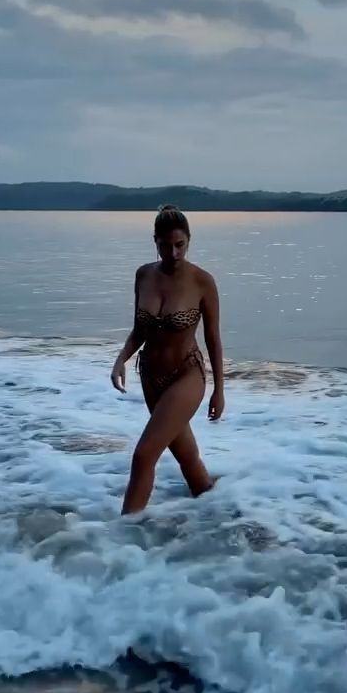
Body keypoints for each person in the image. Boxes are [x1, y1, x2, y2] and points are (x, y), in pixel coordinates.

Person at [110, 204, 225, 514]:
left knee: (143, 455)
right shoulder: (144, 275)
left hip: (187, 375)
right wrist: (121, 359)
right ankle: (220, 515)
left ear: (189, 240)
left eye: (179, 245)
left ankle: (122, 534)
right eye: (165, 245)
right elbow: (140, 329)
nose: (173, 253)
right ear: (155, 242)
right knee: (187, 458)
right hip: (151, 376)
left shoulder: (202, 281)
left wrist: (219, 389)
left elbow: (213, 339)